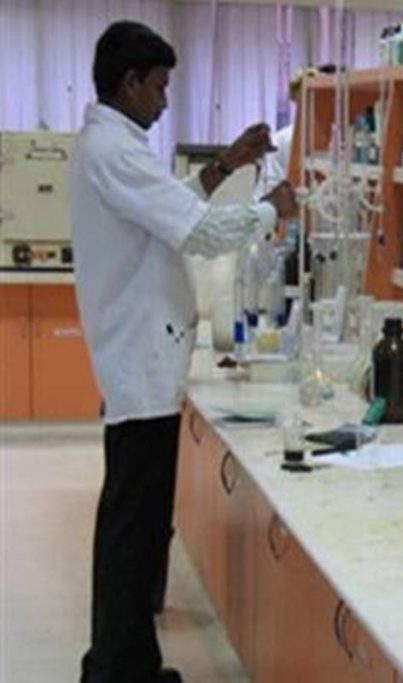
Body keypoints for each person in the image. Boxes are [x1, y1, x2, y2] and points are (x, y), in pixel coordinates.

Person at [70, 21, 298, 683]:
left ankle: (128, 663)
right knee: (131, 526)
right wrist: (271, 210)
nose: (166, 100)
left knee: (138, 526)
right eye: (160, 86)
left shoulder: (115, 146)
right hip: (139, 360)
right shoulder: (114, 151)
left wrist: (226, 165)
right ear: (130, 83)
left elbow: (169, 210)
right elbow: (200, 233)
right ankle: (116, 670)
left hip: (142, 359)